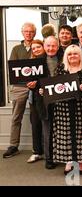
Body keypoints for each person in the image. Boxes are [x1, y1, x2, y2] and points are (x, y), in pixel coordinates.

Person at [49, 45, 82, 175]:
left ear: (80, 56)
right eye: (70, 54)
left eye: (75, 54)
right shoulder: (61, 69)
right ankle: (69, 161)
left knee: (81, 134)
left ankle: (81, 161)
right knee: (65, 134)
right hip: (63, 108)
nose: (72, 56)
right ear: (66, 56)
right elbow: (53, 87)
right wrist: (44, 90)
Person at [3, 22, 36, 159]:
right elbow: (13, 69)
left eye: (31, 31)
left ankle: (39, 148)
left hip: (36, 86)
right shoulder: (16, 49)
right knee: (16, 117)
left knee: (37, 118)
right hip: (20, 87)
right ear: (22, 33)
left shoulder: (38, 47)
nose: (28, 33)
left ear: (34, 33)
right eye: (26, 31)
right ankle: (13, 145)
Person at [37, 36, 62, 169]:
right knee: (47, 130)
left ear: (57, 47)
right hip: (44, 101)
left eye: (53, 46)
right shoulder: (37, 61)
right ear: (44, 46)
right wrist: (37, 88)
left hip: (62, 100)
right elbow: (32, 82)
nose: (51, 48)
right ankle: (49, 158)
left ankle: (62, 156)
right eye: (48, 46)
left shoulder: (64, 58)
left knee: (62, 130)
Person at [25, 39, 45, 163]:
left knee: (47, 126)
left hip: (46, 97)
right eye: (34, 48)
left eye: (38, 47)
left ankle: (49, 151)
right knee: (35, 124)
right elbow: (25, 79)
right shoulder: (29, 63)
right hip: (33, 98)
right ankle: (37, 152)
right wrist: (29, 84)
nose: (36, 49)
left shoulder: (46, 61)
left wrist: (38, 83)